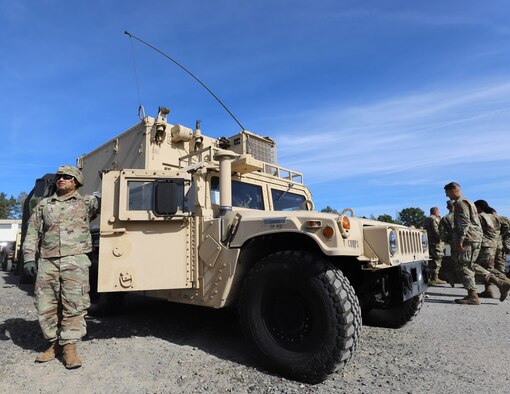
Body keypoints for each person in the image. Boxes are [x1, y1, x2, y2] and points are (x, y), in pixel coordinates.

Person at [23, 166, 99, 369]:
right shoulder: (44, 205)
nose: (61, 179)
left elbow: (111, 197)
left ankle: (69, 347)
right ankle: (54, 343)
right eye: (59, 177)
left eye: (67, 177)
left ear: (76, 181)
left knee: (74, 304)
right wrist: (29, 257)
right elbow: (32, 232)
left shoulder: (88, 202)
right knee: (45, 304)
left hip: (75, 261)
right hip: (48, 261)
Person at [443, 182, 510, 304]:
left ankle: (474, 296)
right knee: (470, 264)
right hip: (476, 237)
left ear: (453, 189)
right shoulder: (469, 202)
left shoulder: (460, 203)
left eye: (447, 193)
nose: (447, 196)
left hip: (468, 238)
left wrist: (460, 240)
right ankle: (500, 283)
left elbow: (463, 222)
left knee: (464, 265)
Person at [473, 200, 509, 299]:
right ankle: (488, 290)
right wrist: (498, 235)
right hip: (495, 244)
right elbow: (506, 227)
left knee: (482, 268)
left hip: (485, 245)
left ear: (479, 207)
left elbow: (474, 230)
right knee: (488, 267)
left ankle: (505, 282)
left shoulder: (480, 217)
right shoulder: (497, 218)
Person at [423, 207, 446, 285]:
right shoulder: (434, 219)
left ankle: (430, 278)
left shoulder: (426, 219)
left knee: (431, 261)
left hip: (428, 242)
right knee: (437, 260)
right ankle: (434, 278)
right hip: (436, 243)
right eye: (438, 211)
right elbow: (436, 230)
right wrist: (442, 239)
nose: (439, 213)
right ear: (435, 212)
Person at [438, 200, 457, 287]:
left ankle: (451, 279)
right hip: (465, 243)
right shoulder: (463, 216)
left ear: (447, 207)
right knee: (464, 262)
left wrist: (446, 240)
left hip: (449, 244)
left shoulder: (445, 218)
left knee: (448, 261)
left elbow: (441, 233)